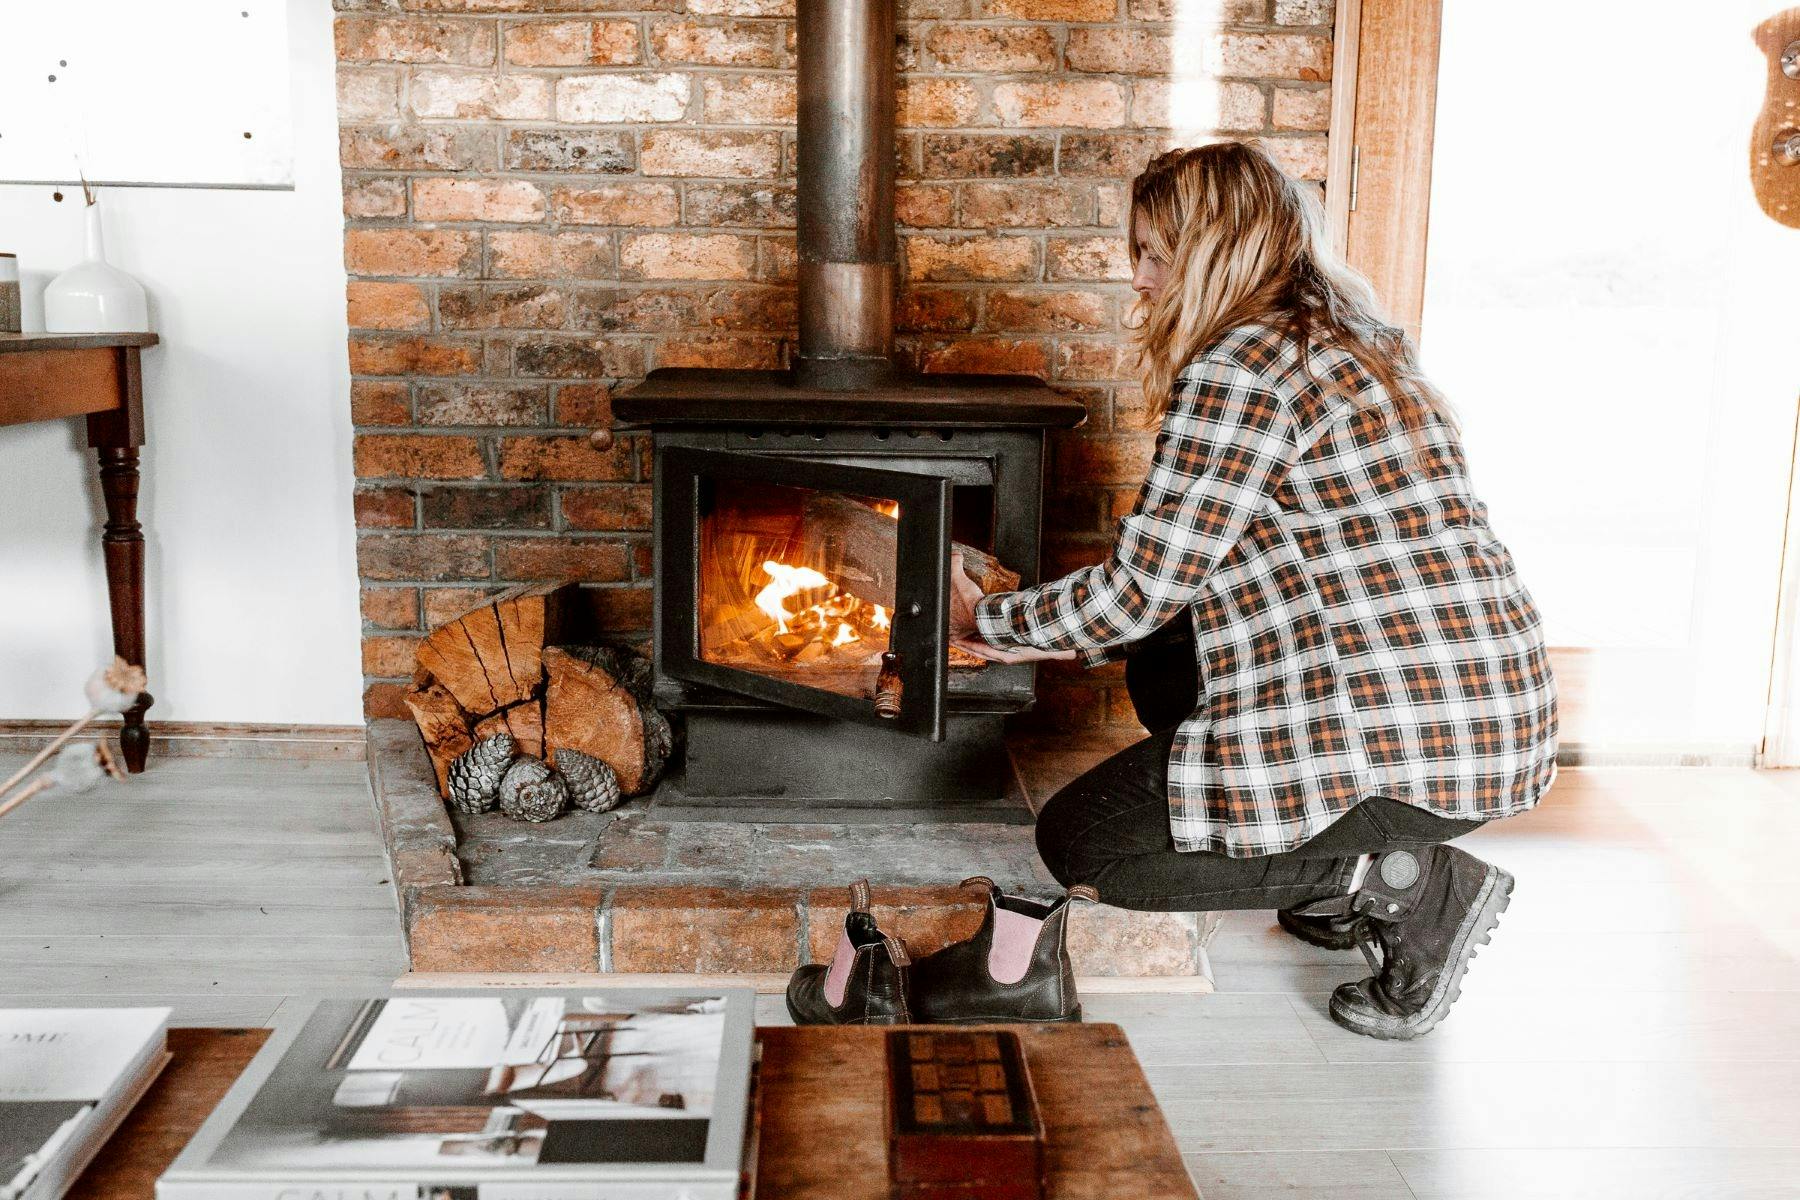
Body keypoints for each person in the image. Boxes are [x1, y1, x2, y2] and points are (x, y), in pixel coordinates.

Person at [949, 141, 1558, 1040]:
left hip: (1407, 734)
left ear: (1211, 253)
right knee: (1163, 664)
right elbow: (1168, 589)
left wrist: (986, 622)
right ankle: (1338, 857)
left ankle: (1398, 882)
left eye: (1155, 254)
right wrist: (1046, 624)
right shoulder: (1351, 343)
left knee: (1086, 845)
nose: (1142, 283)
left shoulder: (1242, 368)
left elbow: (1140, 589)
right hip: (1483, 714)